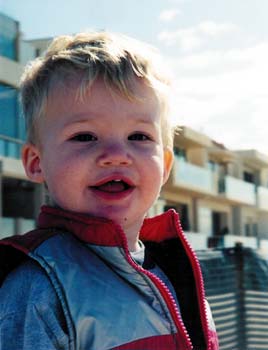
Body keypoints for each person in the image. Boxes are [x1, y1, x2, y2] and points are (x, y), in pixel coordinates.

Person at [0, 31, 218, 350]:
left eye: (139, 136)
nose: (117, 153)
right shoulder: (38, 287)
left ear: (166, 164)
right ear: (36, 162)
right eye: (85, 136)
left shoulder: (177, 272)